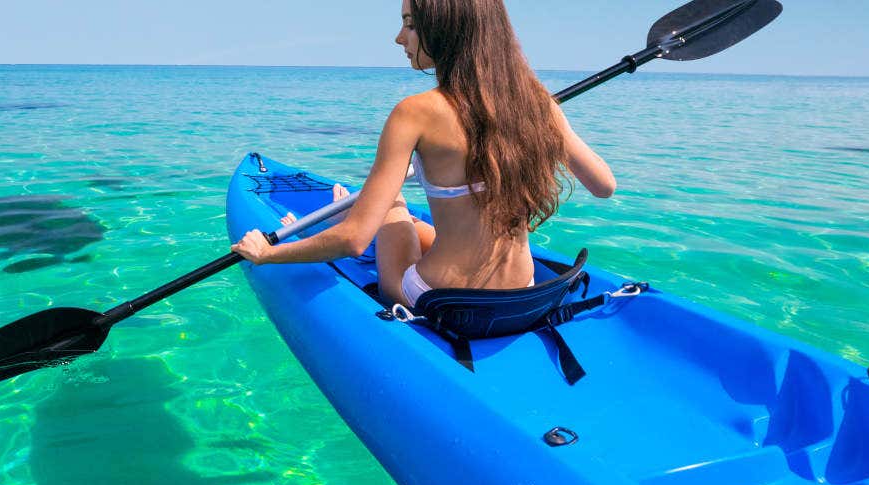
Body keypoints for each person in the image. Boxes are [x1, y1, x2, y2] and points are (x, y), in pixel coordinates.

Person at [231, 0, 616, 307]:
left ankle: (356, 205)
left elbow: (353, 242)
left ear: (448, 29)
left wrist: (266, 254)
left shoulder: (414, 112)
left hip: (444, 301)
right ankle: (360, 205)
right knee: (412, 223)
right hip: (524, 293)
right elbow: (603, 185)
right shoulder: (535, 102)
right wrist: (546, 118)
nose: (400, 38)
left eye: (410, 23)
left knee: (393, 205)